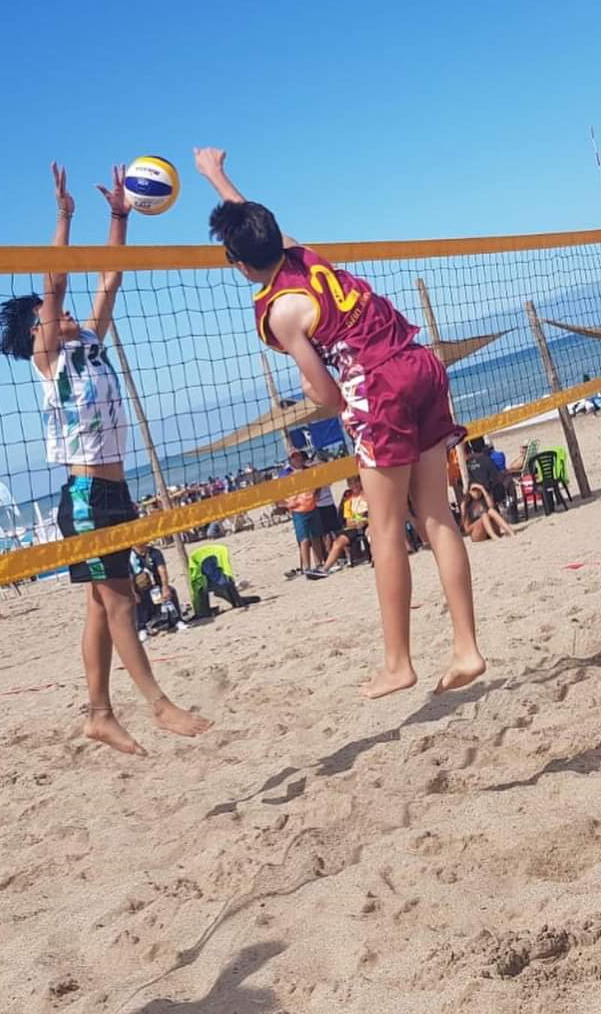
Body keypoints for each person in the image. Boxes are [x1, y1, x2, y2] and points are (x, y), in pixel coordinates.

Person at [197, 146, 484, 697]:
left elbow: (328, 395)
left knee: (383, 530)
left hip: (380, 388)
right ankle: (466, 648)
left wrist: (316, 393)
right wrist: (217, 175)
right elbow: (257, 222)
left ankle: (398, 664)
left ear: (238, 266)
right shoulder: (304, 255)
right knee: (436, 516)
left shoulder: (281, 312)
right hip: (420, 364)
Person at [0, 161, 210, 755]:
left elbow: (110, 277)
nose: (63, 314)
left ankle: (98, 714)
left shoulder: (89, 341)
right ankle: (158, 704)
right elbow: (55, 285)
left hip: (115, 490)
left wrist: (119, 216)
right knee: (120, 602)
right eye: (50, 315)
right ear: (36, 329)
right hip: (86, 496)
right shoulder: (48, 360)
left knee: (98, 607)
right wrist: (64, 218)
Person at [279, 449, 326, 578]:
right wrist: (286, 504)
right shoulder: (286, 475)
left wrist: (317, 494)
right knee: (304, 539)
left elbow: (319, 482)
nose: (297, 459)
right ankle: (307, 567)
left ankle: (319, 564)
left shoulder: (309, 470)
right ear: (290, 460)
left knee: (316, 537)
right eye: (294, 457)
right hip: (298, 510)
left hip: (312, 506)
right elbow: (277, 494)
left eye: (298, 456)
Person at [130, 541, 189, 641]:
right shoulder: (130, 558)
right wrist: (133, 593)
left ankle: (178, 621)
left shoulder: (154, 553)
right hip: (140, 589)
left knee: (171, 591)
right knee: (135, 601)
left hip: (157, 586)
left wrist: (165, 587)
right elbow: (129, 577)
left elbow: (162, 570)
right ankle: (142, 629)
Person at [318, 475, 370, 571]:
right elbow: (347, 520)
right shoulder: (348, 498)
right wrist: (356, 522)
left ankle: (376, 559)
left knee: (370, 534)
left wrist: (364, 520)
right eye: (351, 483)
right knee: (338, 542)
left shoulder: (367, 494)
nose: (354, 485)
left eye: (356, 481)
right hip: (354, 526)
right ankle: (325, 568)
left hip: (367, 523)